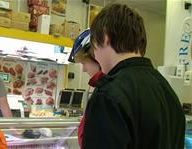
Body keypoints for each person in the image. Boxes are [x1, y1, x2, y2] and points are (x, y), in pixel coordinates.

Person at [83, 3, 185, 149]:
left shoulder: (108, 95)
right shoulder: (168, 92)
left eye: (93, 47)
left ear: (105, 37)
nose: (95, 56)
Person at [69, 29, 104, 149]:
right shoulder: (101, 87)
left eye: (84, 63)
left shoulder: (108, 93)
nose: (83, 69)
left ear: (97, 58)